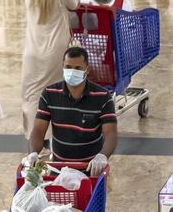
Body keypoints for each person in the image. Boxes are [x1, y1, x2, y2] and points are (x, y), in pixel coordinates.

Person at [24, 46, 117, 176]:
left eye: (78, 68)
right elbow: (38, 130)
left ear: (87, 69)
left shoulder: (103, 97)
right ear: (63, 67)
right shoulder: (49, 94)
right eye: (68, 67)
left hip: (91, 170)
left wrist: (102, 156)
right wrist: (33, 153)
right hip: (59, 169)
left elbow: (111, 134)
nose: (72, 72)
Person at [21, 0, 80, 140]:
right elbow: (75, 4)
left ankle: (34, 138)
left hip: (32, 49)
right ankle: (56, 135)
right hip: (55, 50)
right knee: (56, 92)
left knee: (32, 93)